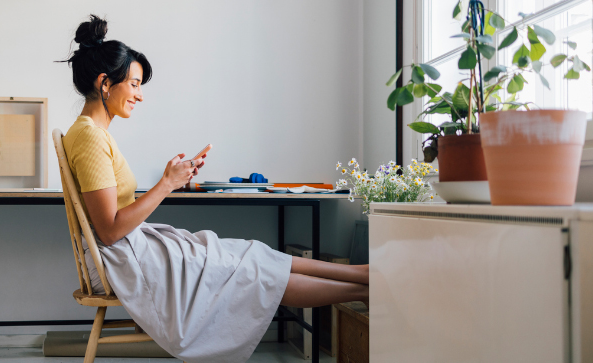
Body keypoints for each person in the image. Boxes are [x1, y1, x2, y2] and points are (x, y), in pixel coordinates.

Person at [59, 15, 368, 363]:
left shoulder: (93, 134)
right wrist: (166, 184)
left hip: (134, 249)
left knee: (254, 254)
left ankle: (363, 276)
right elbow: (110, 230)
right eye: (133, 84)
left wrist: (170, 179)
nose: (139, 96)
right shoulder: (88, 136)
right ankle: (368, 286)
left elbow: (113, 220)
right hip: (121, 260)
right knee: (252, 272)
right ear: (105, 83)